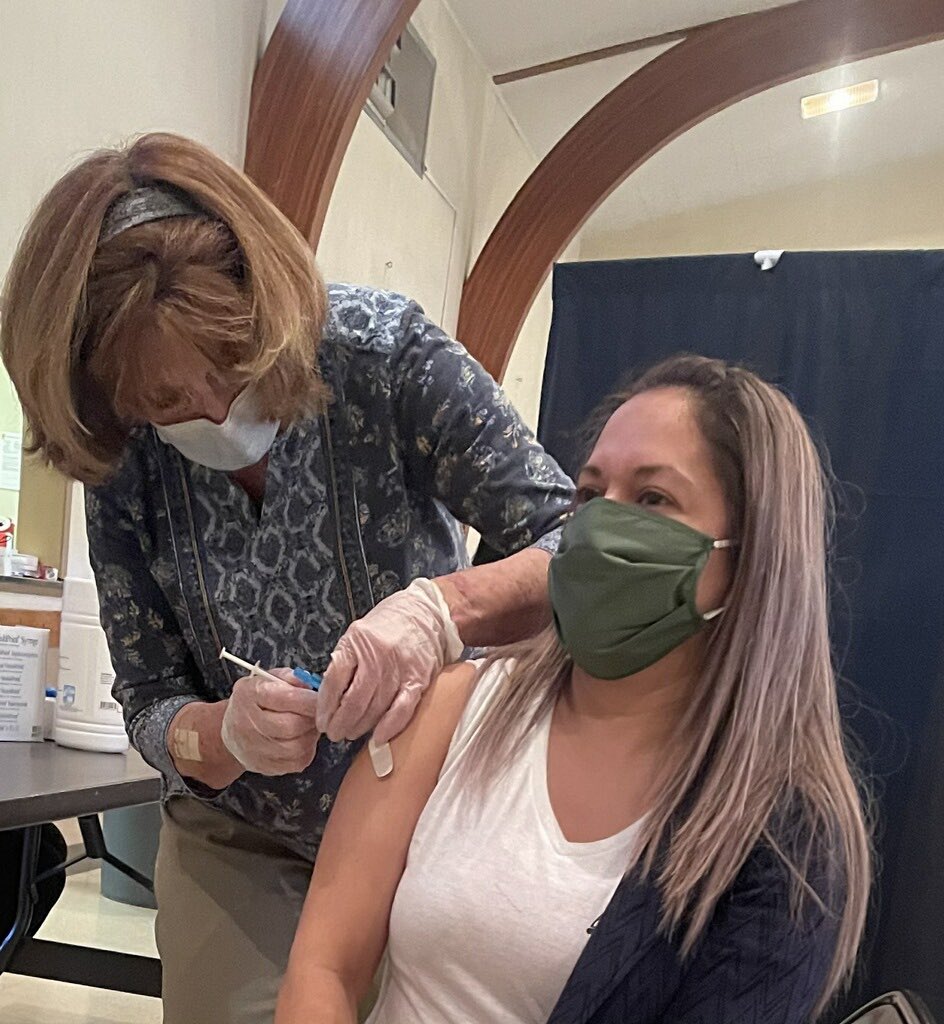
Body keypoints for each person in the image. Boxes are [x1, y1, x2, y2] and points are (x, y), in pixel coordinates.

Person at [0, 133, 573, 1024]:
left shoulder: (384, 360)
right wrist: (223, 735)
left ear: (264, 307)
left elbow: (580, 544)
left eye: (233, 369)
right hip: (242, 837)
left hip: (415, 815)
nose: (214, 415)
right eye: (164, 404)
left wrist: (442, 610)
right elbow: (150, 705)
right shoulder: (122, 464)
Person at [276, 355, 872, 1024]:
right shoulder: (457, 708)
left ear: (749, 556)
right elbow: (323, 964)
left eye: (652, 499)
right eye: (590, 494)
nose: (594, 529)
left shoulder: (783, 838)